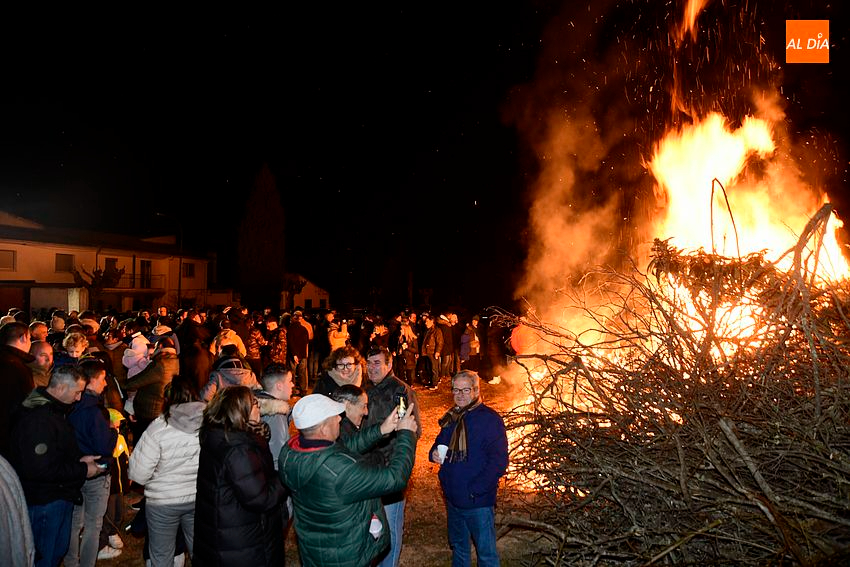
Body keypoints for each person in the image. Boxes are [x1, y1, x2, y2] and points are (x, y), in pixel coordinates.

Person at [279, 393, 418, 567]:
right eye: (334, 416)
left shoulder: (291, 452)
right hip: (346, 554)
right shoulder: (340, 471)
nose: (339, 418)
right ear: (323, 428)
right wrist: (406, 434)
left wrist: (381, 429)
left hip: (315, 548)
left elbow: (344, 448)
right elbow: (395, 478)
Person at [8, 364, 103, 567]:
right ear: (60, 388)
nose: (79, 398)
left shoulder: (50, 408)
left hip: (56, 495)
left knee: (56, 551)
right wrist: (84, 470)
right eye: (77, 392)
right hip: (46, 500)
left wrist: (78, 461)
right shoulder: (39, 418)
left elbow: (54, 453)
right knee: (46, 556)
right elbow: (41, 468)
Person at [194, 386, 287, 566]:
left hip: (223, 532)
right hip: (241, 542)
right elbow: (261, 498)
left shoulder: (218, 435)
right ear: (239, 411)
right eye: (254, 403)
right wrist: (285, 478)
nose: (259, 406)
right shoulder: (239, 449)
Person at [429, 370, 508, 567]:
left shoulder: (490, 420)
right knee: (459, 549)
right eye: (456, 390)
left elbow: (499, 461)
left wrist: (476, 489)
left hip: (478, 502)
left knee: (486, 554)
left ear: (476, 390)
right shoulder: (451, 417)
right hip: (453, 499)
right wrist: (433, 454)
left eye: (465, 390)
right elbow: (439, 443)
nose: (460, 395)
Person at [129, 376, 205, 567]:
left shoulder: (158, 428)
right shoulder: (210, 424)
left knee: (161, 555)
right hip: (199, 497)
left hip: (163, 502)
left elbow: (138, 474)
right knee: (202, 550)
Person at [362, 346, 422, 567]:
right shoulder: (364, 389)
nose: (372, 368)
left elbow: (412, 430)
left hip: (389, 470)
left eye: (377, 363)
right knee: (371, 524)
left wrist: (397, 463)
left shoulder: (400, 391)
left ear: (389, 365)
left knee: (391, 526)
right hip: (365, 469)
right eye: (369, 363)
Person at [64, 358, 119, 567]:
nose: (105, 384)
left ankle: (71, 562)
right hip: (96, 473)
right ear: (90, 381)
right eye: (102, 379)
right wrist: (113, 431)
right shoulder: (93, 411)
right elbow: (104, 447)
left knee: (74, 523)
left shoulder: (70, 405)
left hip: (74, 471)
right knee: (93, 525)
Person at [0, 321, 34, 458]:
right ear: (23, 338)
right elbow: (26, 404)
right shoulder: (17, 367)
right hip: (9, 436)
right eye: (30, 338)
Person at [255, 363, 294, 472]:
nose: (293, 385)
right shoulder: (275, 415)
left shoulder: (256, 402)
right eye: (290, 381)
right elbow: (277, 457)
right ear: (279, 386)